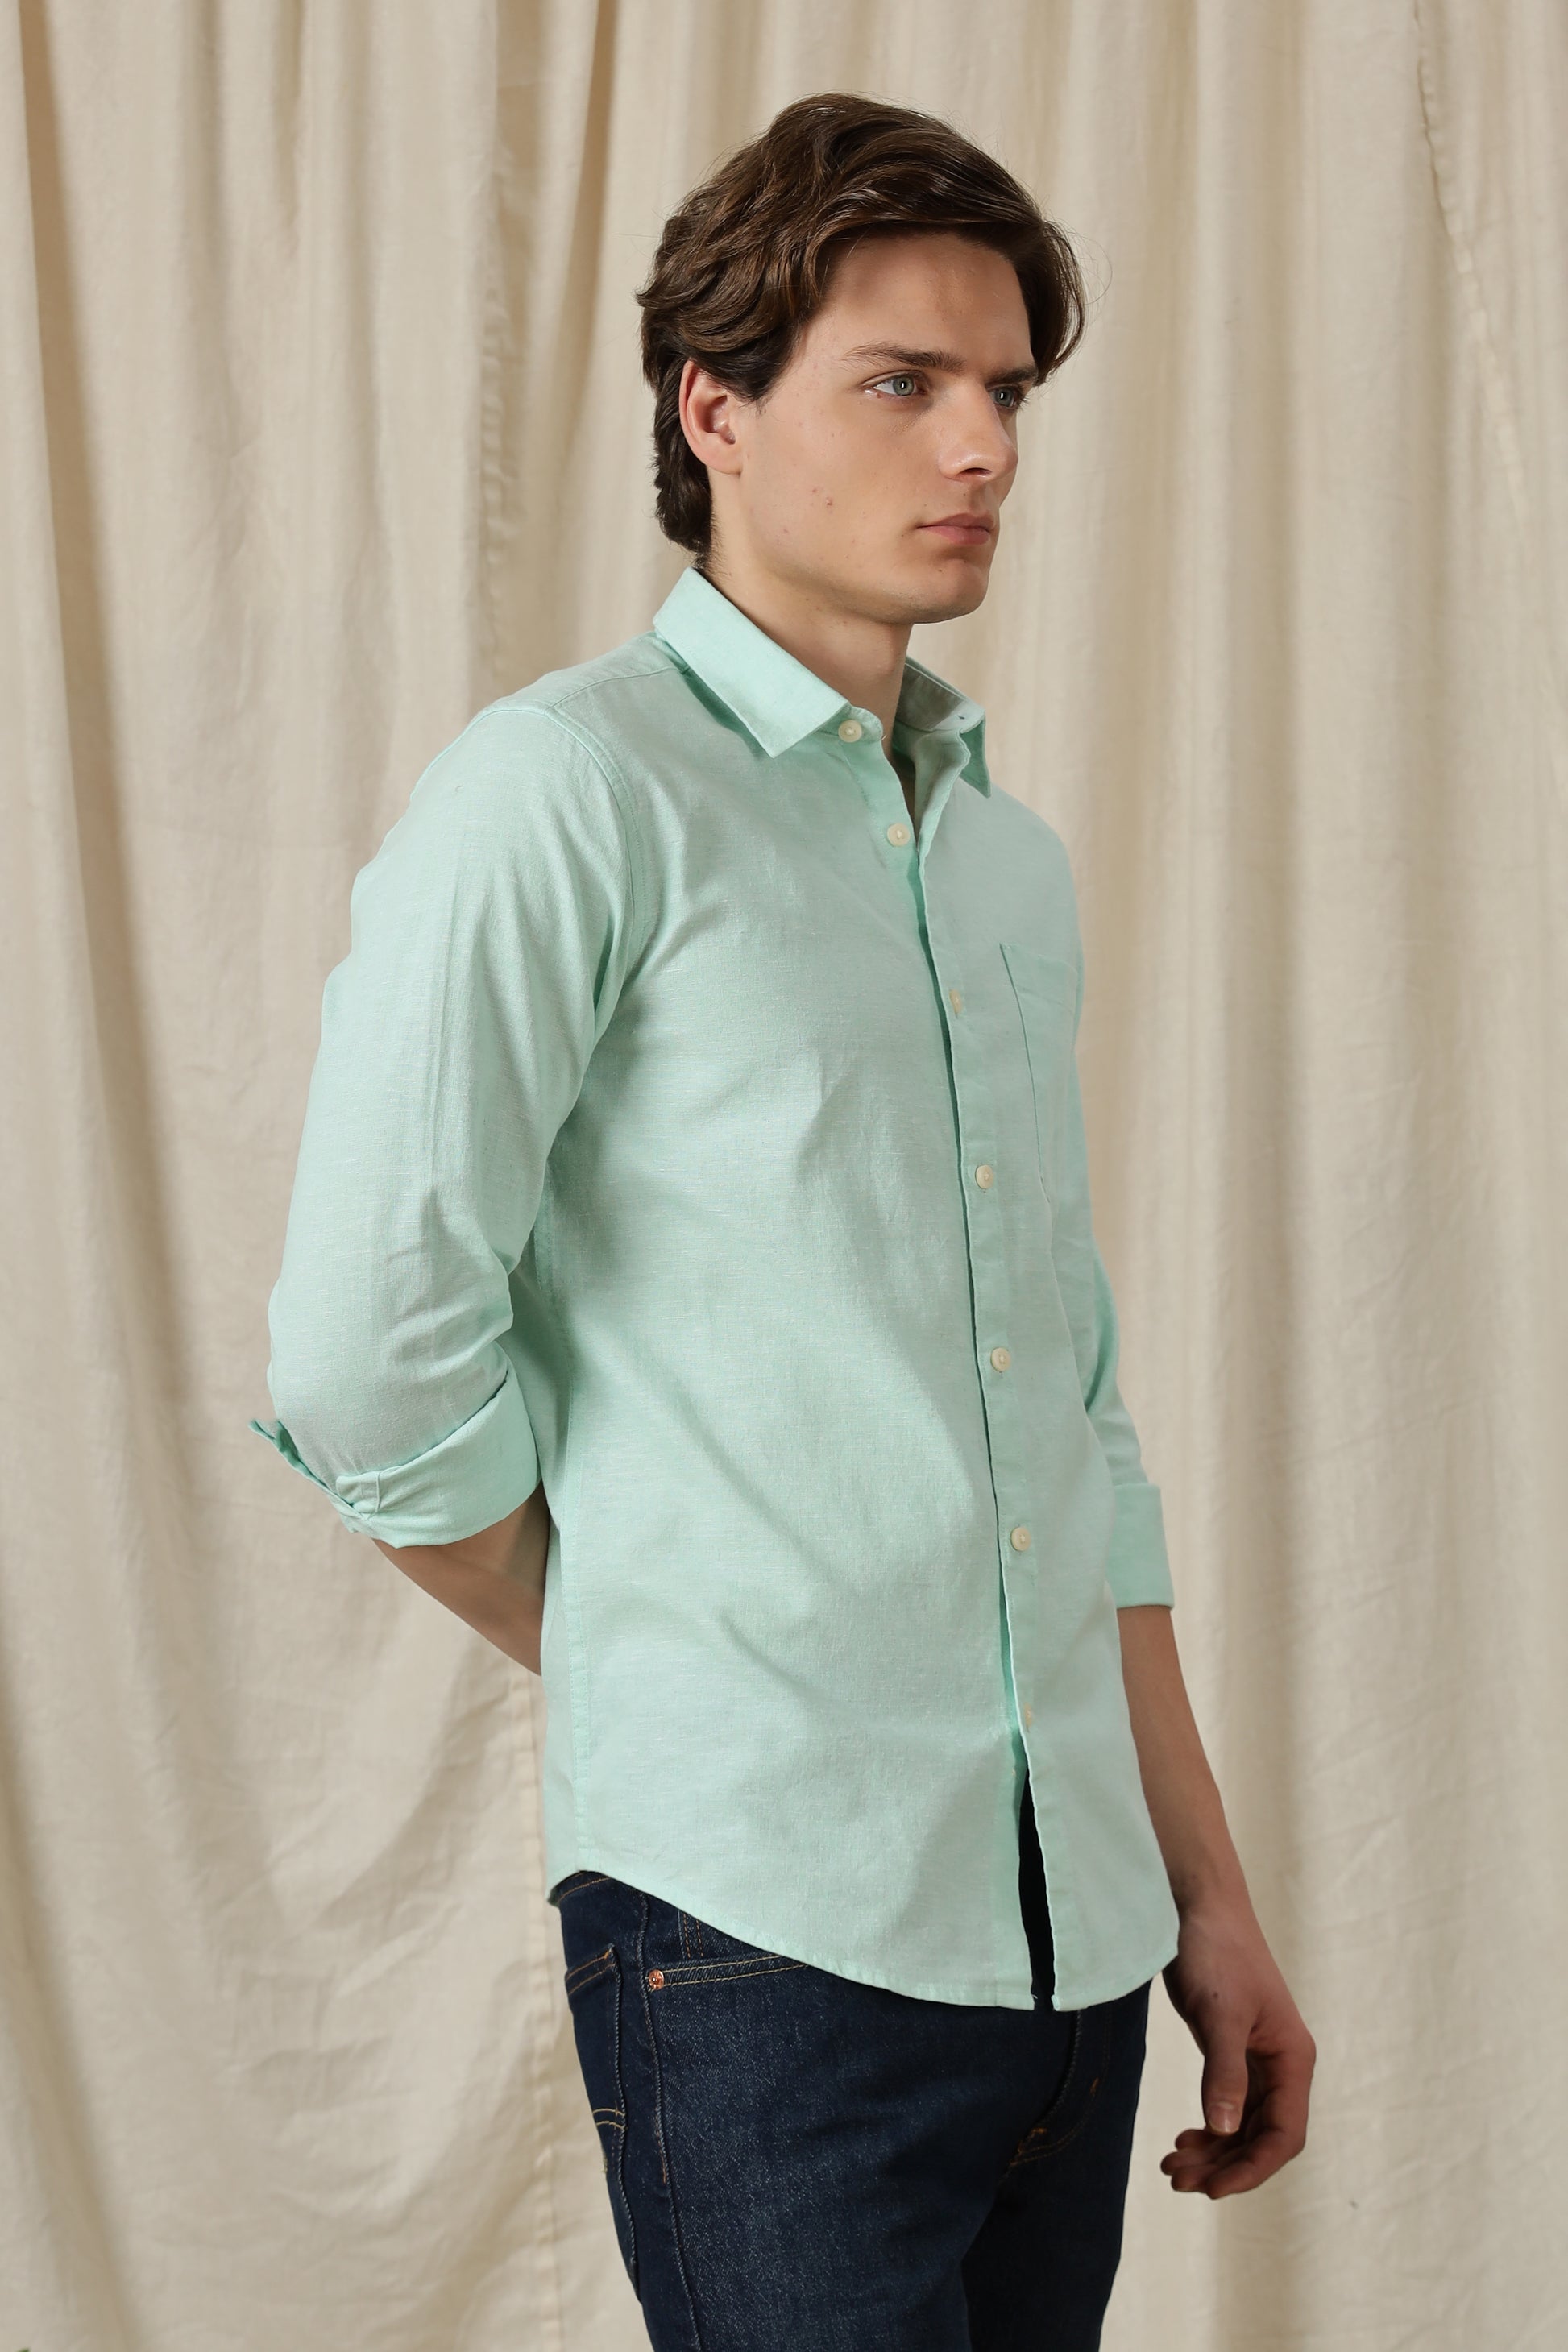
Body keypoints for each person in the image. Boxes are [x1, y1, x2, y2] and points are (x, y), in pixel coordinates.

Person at [251, 90, 1314, 2352]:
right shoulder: (563, 795)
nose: (984, 447)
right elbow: (363, 1363)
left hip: (1073, 1953)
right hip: (762, 1937)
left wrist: (1205, 1896)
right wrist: (664, 1649)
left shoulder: (1000, 861)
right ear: (711, 410)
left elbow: (1075, 1429)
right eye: (902, 383)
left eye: (1004, 390)